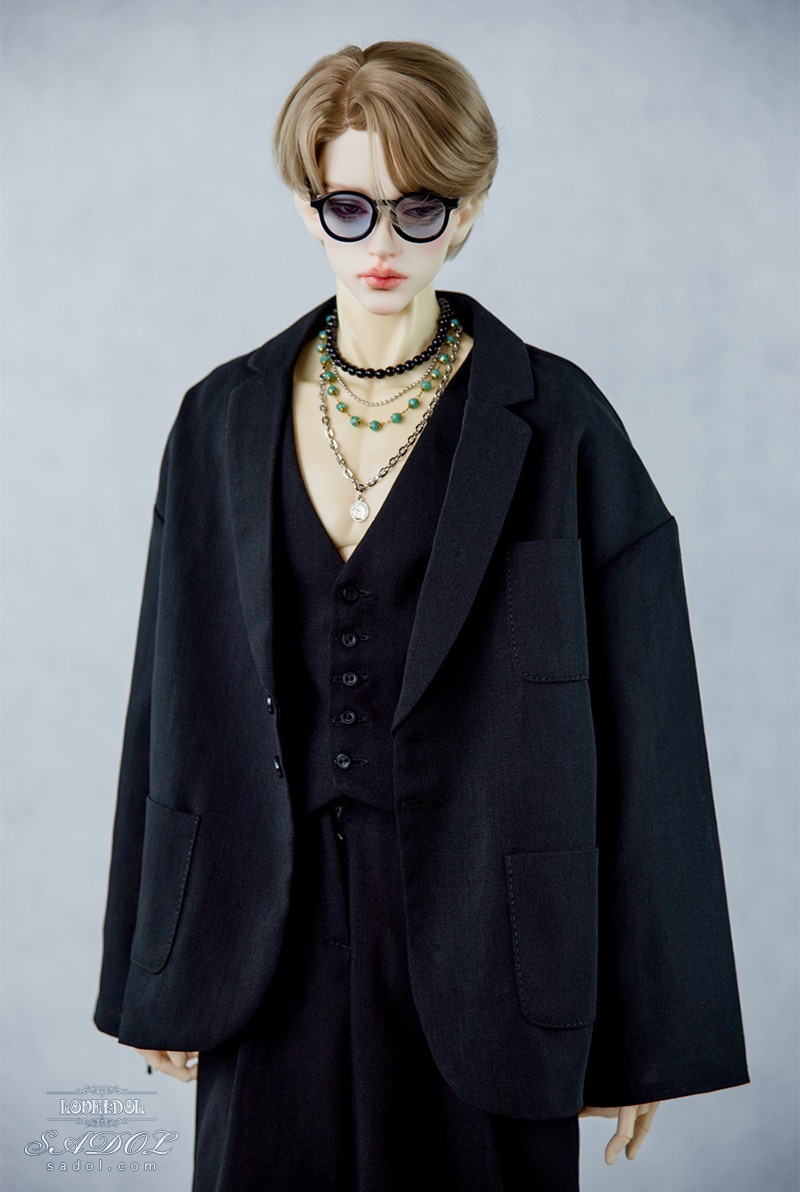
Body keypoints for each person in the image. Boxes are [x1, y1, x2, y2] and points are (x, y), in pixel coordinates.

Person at [93, 40, 750, 1191]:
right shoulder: (218, 422)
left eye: (418, 207)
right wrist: (160, 962)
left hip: (494, 950)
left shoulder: (559, 425)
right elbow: (169, 695)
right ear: (306, 206)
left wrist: (640, 1026)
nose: (382, 243)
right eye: (348, 207)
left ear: (469, 206)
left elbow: (649, 726)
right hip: (263, 945)